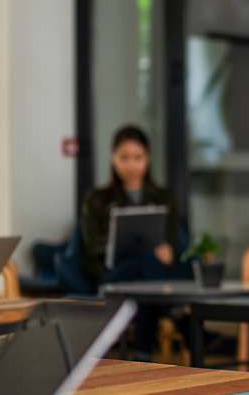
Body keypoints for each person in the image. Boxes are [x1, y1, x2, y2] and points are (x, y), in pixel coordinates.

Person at [80, 125, 188, 360]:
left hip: (147, 277)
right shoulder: (96, 199)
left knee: (143, 279)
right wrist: (117, 245)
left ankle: (142, 357)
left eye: (138, 158)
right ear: (113, 158)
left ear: (147, 159)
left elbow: (173, 245)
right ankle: (178, 315)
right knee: (144, 261)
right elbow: (91, 248)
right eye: (124, 158)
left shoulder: (164, 197)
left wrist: (168, 252)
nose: (131, 165)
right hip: (113, 276)